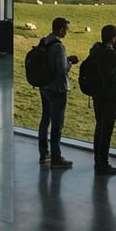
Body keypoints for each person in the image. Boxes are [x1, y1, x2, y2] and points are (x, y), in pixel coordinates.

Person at [87, 25, 116, 175]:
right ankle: (103, 164)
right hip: (111, 96)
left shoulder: (95, 49)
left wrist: (115, 45)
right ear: (113, 37)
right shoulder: (110, 54)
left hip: (97, 94)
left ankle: (97, 161)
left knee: (99, 127)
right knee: (106, 130)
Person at [38, 18, 78, 169]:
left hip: (44, 86)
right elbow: (62, 69)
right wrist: (70, 62)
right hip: (57, 89)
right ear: (61, 29)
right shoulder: (58, 47)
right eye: (66, 29)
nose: (67, 31)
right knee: (57, 124)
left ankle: (44, 153)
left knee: (45, 119)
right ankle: (56, 157)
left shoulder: (45, 41)